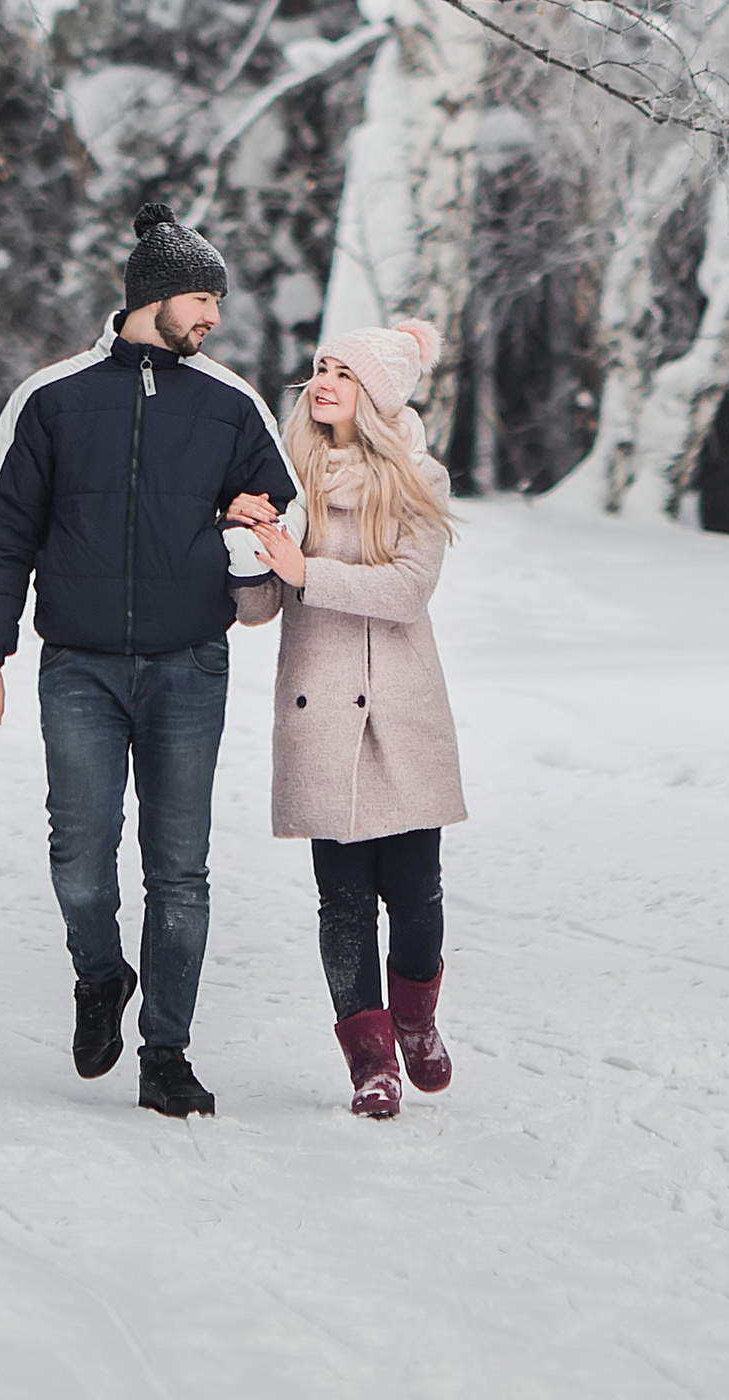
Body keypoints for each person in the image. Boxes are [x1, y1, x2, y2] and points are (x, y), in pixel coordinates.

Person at [0, 197, 296, 1120]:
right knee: (80, 854)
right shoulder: (54, 398)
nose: (215, 318)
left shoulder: (230, 404)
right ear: (156, 295)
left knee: (179, 868)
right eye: (203, 299)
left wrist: (241, 538)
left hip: (190, 666)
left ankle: (169, 1054)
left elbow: (280, 512)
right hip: (80, 668)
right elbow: (4, 529)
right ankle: (101, 977)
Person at [228, 316, 466, 1120]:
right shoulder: (289, 474)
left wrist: (309, 570)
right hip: (320, 709)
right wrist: (245, 545)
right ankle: (372, 1063)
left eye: (345, 372)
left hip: (401, 712)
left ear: (378, 393)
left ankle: (417, 1018)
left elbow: (405, 594)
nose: (322, 381)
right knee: (342, 900)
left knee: (417, 892)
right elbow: (260, 608)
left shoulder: (418, 480)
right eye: (321, 367)